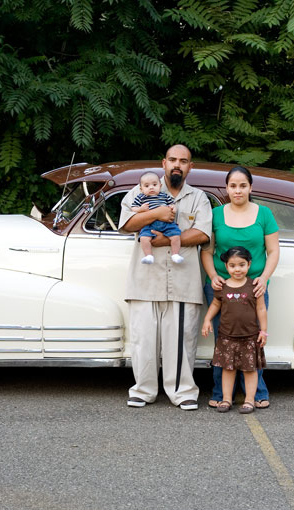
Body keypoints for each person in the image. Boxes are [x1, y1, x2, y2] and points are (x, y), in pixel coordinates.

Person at [118, 145, 213, 410]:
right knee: (143, 339)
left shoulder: (198, 198)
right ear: (164, 162)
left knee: (181, 340)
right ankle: (143, 390)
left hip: (183, 280)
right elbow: (127, 224)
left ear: (189, 167)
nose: (177, 165)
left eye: (183, 161)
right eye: (172, 159)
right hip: (145, 280)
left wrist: (163, 241)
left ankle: (183, 392)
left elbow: (203, 233)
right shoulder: (142, 188)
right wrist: (157, 214)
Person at [201, 166, 279, 409]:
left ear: (250, 187)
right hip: (221, 288)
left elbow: (274, 251)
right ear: (227, 188)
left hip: (254, 287)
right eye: (233, 185)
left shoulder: (264, 214)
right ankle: (220, 391)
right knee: (223, 340)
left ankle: (255, 393)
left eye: (242, 185)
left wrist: (264, 278)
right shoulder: (215, 214)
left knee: (253, 340)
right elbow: (207, 250)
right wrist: (213, 275)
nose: (238, 190)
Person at [201, 246, 268, 414]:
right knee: (227, 368)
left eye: (241, 264)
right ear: (226, 266)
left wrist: (263, 331)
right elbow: (216, 304)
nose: (237, 269)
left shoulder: (254, 285)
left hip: (249, 337)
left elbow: (261, 309)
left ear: (249, 264)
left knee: (250, 369)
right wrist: (207, 320)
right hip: (227, 337)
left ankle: (249, 400)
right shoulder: (222, 287)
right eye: (232, 265)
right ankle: (226, 399)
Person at [131, 171, 184, 264]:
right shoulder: (141, 197)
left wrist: (173, 208)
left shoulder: (164, 196)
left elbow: (171, 204)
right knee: (144, 238)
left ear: (160, 185)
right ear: (141, 189)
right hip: (149, 224)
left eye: (154, 184)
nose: (151, 187)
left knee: (176, 236)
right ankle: (148, 255)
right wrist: (140, 209)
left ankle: (175, 254)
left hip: (167, 223)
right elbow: (133, 208)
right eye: (147, 186)